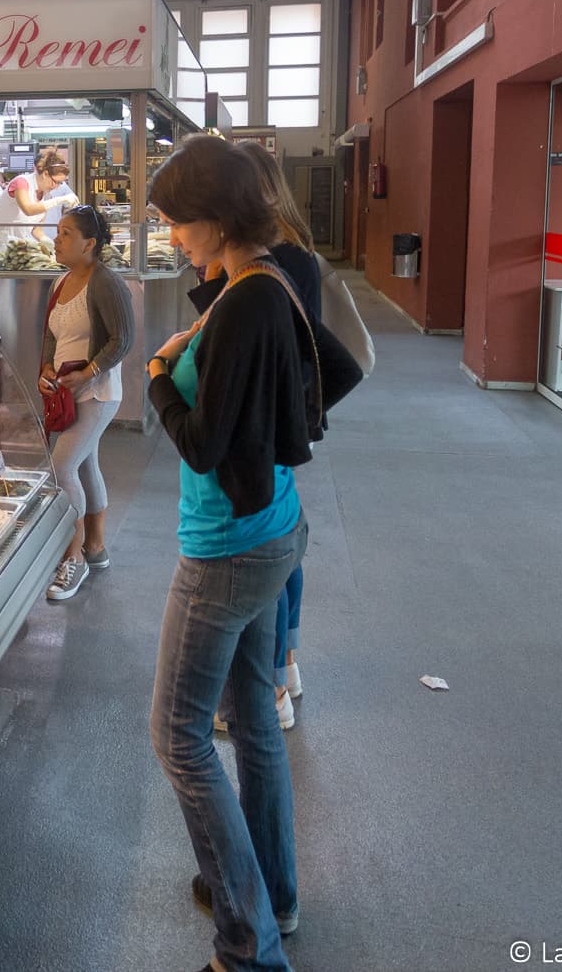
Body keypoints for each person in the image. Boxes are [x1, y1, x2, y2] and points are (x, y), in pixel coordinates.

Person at [144, 135, 318, 972]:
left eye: (180, 221)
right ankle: (272, 893)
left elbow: (205, 443)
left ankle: (248, 946)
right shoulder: (268, 277)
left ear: (215, 217)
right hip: (274, 529)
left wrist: (155, 384)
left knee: (178, 734)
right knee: (253, 719)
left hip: (225, 548)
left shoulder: (245, 299)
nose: (174, 235)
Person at [236, 141, 322, 729]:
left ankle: (270, 689)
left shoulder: (266, 267)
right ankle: (286, 664)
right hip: (291, 421)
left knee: (266, 553)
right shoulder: (300, 256)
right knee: (285, 543)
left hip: (264, 426)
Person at [41, 204, 133, 601]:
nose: (56, 240)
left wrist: (91, 370)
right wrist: (45, 368)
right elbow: (51, 335)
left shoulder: (106, 283)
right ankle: (95, 549)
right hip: (67, 392)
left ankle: (72, 557)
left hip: (97, 393)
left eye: (65, 234)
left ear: (90, 243)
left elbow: (122, 339)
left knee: (62, 466)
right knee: (86, 464)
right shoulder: (59, 284)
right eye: (57, 232)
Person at [0, 146, 75, 244]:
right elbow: (29, 210)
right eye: (56, 182)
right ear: (45, 174)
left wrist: (47, 242)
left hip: (20, 247)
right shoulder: (21, 183)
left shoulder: (46, 196)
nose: (57, 187)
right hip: (2, 246)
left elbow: (36, 229)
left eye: (60, 183)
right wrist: (59, 200)